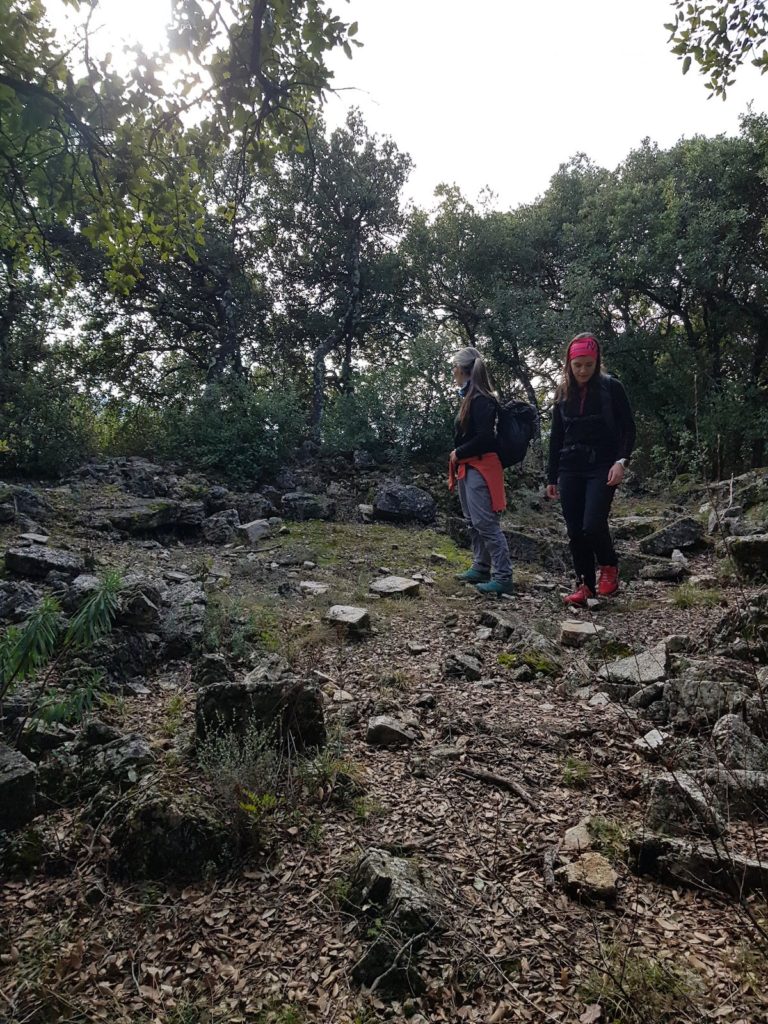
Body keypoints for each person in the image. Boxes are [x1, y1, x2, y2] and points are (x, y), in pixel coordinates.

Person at [545, 333, 636, 606]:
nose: (583, 370)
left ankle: (609, 566)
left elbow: (628, 429)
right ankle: (585, 585)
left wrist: (622, 461)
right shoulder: (562, 395)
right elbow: (556, 438)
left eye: (588, 364)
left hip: (602, 465)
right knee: (575, 530)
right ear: (569, 365)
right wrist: (551, 476)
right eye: (577, 365)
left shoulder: (612, 388)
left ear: (597, 363)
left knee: (592, 524)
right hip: (570, 467)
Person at [448, 347, 514, 597]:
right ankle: (481, 567)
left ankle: (503, 577)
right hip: (471, 466)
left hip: (481, 467)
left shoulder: (481, 399)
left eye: (454, 367)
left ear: (462, 370)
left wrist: (459, 452)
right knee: (473, 521)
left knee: (485, 523)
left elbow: (486, 438)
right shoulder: (472, 397)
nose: (452, 372)